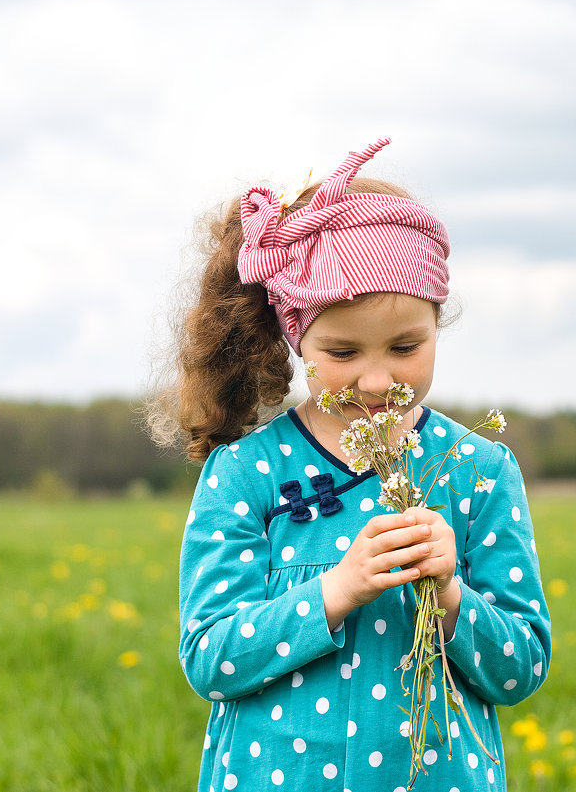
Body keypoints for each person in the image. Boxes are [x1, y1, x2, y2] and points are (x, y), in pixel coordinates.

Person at [148, 138, 550, 791]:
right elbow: (210, 659)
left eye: (405, 345)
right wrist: (337, 590)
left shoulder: (477, 470)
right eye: (340, 351)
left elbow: (520, 667)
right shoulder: (246, 473)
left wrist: (448, 593)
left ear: (436, 323)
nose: (375, 377)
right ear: (295, 336)